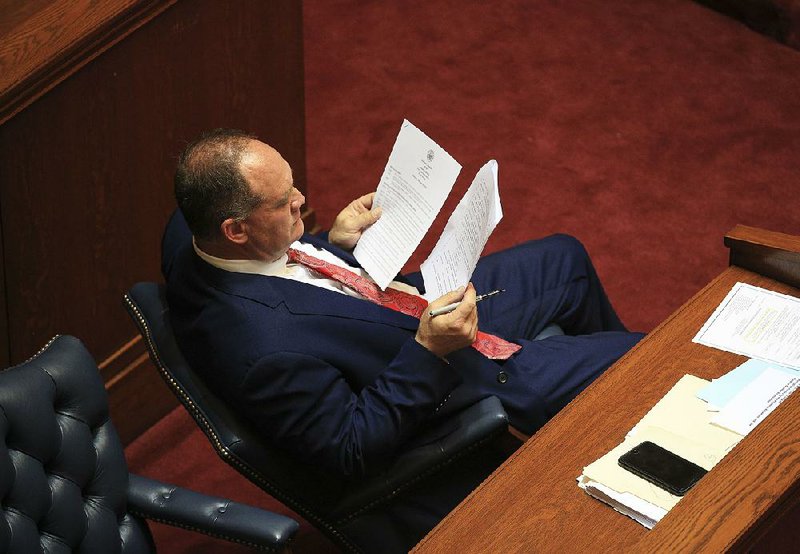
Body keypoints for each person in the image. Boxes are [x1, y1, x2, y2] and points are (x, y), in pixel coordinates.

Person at [162, 128, 643, 551]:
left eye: (293, 185)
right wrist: (430, 351)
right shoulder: (263, 351)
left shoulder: (195, 237)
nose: (301, 200)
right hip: (450, 377)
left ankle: (609, 419)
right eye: (284, 201)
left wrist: (333, 242)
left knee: (565, 259)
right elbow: (350, 448)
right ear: (236, 229)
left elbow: (290, 277)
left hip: (393, 308)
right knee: (642, 360)